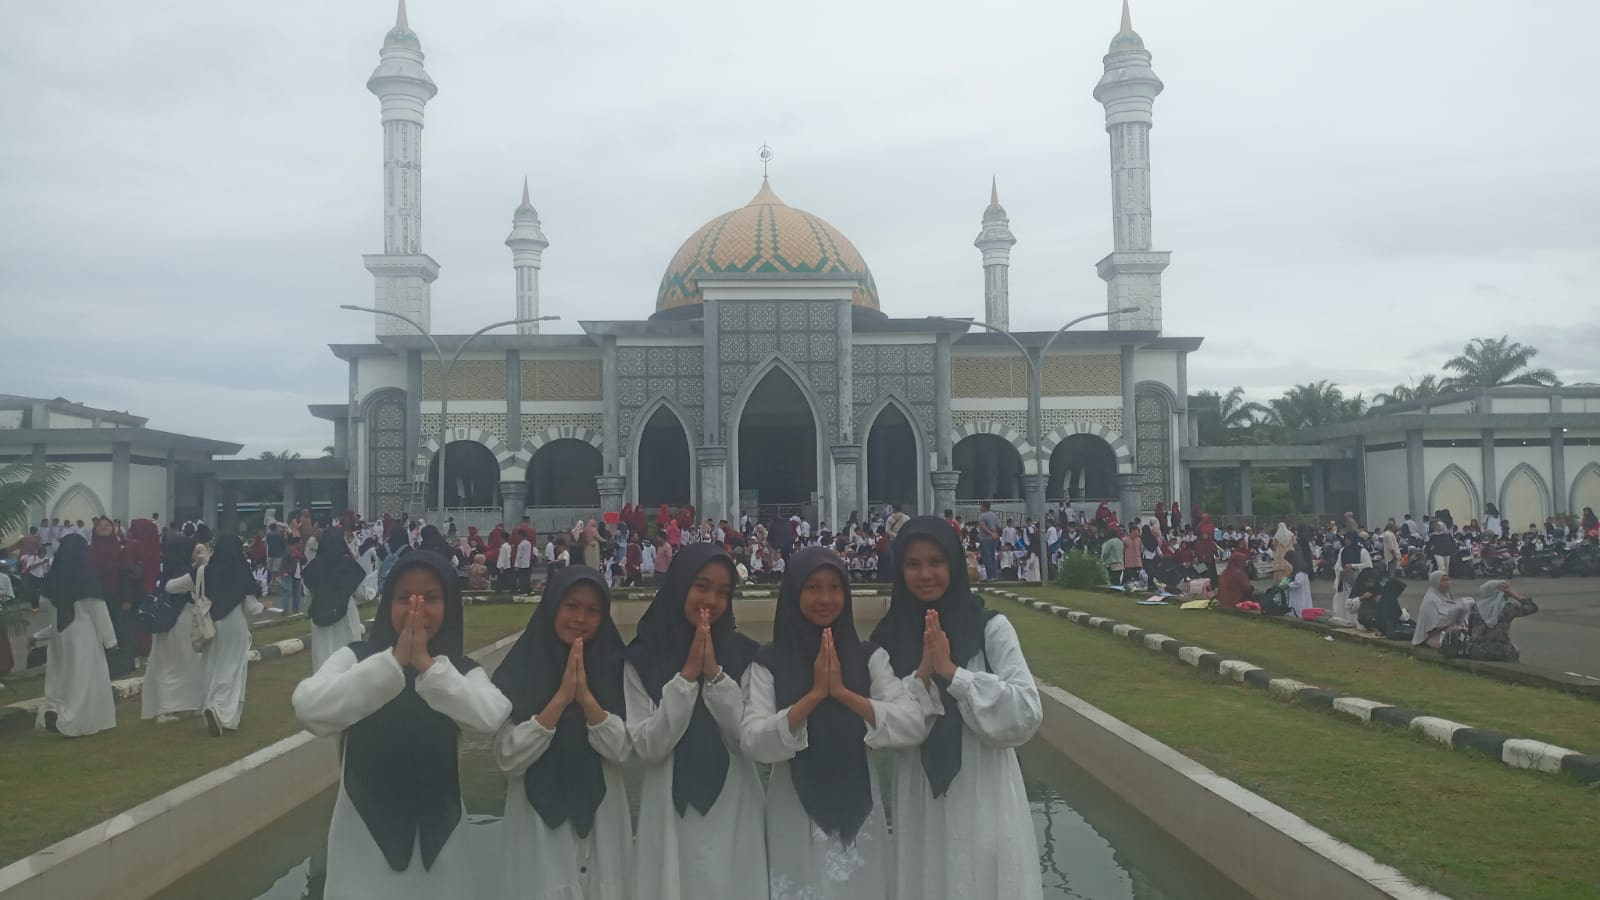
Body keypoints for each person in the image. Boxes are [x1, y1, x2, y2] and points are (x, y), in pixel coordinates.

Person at [292, 551, 511, 899]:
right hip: (361, 843)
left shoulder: (461, 670)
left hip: (441, 848)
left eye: (432, 598)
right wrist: (391, 665)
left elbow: (491, 716)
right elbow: (309, 707)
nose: (417, 607)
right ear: (387, 601)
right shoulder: (356, 657)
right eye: (404, 597)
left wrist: (427, 666)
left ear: (450, 605)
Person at [870, 518, 1043, 900]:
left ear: (953, 562)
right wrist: (923, 675)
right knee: (928, 878)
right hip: (920, 794)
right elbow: (889, 727)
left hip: (985, 787)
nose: (925, 574)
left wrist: (955, 675)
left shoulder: (991, 629)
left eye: (936, 561)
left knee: (985, 877)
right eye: (913, 564)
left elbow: (1027, 713)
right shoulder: (887, 640)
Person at [739, 546, 924, 900]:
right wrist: (811, 698)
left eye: (835, 587)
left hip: (860, 808)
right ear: (794, 593)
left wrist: (842, 693)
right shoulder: (768, 663)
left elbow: (912, 725)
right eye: (812, 588)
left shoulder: (869, 657)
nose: (825, 598)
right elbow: (753, 742)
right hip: (793, 807)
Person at [624, 543, 767, 899]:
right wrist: (687, 677)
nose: (712, 600)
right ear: (679, 584)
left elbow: (747, 740)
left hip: (735, 801)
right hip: (668, 803)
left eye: (723, 592)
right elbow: (648, 747)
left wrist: (716, 676)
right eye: (701, 586)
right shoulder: (641, 659)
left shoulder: (747, 655)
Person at [491, 566, 631, 899]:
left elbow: (625, 750)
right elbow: (508, 758)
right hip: (537, 828)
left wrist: (585, 699)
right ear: (553, 605)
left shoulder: (618, 668)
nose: (581, 618)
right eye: (571, 606)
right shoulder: (519, 670)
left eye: (593, 610)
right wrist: (559, 701)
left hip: (603, 821)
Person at [31, 534, 118, 736]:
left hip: (59, 634)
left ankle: (54, 710)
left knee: (60, 675)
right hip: (83, 633)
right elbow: (98, 610)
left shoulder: (53, 576)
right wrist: (110, 640)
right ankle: (71, 719)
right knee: (83, 678)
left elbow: (44, 605)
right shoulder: (86, 576)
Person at [196, 535, 264, 736]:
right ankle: (221, 710)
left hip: (211, 622)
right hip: (234, 624)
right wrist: (262, 605)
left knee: (212, 663)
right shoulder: (240, 571)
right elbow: (252, 608)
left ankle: (209, 703)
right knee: (232, 666)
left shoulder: (206, 571)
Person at [142, 529, 203, 722]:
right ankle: (168, 707)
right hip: (180, 621)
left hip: (167, 622)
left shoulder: (168, 569)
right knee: (182, 663)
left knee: (167, 663)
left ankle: (176, 705)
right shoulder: (184, 572)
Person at [303, 527, 373, 673]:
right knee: (347, 656)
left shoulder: (313, 567)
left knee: (323, 657)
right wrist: (373, 592)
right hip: (346, 614)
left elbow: (307, 596)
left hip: (320, 616)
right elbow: (362, 594)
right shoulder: (349, 565)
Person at [1465, 580, 1538, 662]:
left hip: (1476, 650)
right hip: (1500, 652)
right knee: (1515, 650)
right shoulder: (1507, 609)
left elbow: (1469, 629)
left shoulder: (1475, 608)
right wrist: (1515, 595)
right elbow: (1532, 608)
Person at [1412, 571, 1471, 650]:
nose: (1447, 583)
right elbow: (1436, 624)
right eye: (1443, 580)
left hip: (1448, 631)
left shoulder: (1445, 595)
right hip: (1434, 636)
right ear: (1435, 582)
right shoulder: (1430, 600)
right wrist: (1455, 611)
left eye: (1448, 580)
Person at [1284, 551, 1314, 618]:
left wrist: (1288, 585)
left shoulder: (1299, 569)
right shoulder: (1299, 567)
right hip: (1298, 593)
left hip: (1299, 594)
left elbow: (1298, 583)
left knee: (1299, 606)